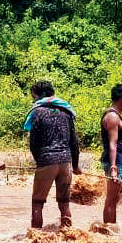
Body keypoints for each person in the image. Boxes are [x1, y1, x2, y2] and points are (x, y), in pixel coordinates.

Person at [24, 80, 81, 228]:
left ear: (40, 96)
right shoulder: (66, 112)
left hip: (46, 160)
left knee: (37, 203)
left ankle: (35, 239)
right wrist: (75, 165)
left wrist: (40, 162)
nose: (33, 100)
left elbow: (33, 144)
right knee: (64, 202)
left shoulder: (37, 112)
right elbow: (74, 142)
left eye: (34, 96)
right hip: (66, 161)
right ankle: (68, 234)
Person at [101, 85, 122, 225]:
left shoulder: (116, 114)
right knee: (111, 198)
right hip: (114, 160)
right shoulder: (113, 116)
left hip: (118, 159)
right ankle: (108, 229)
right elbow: (112, 144)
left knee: (114, 198)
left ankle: (111, 228)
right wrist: (113, 168)